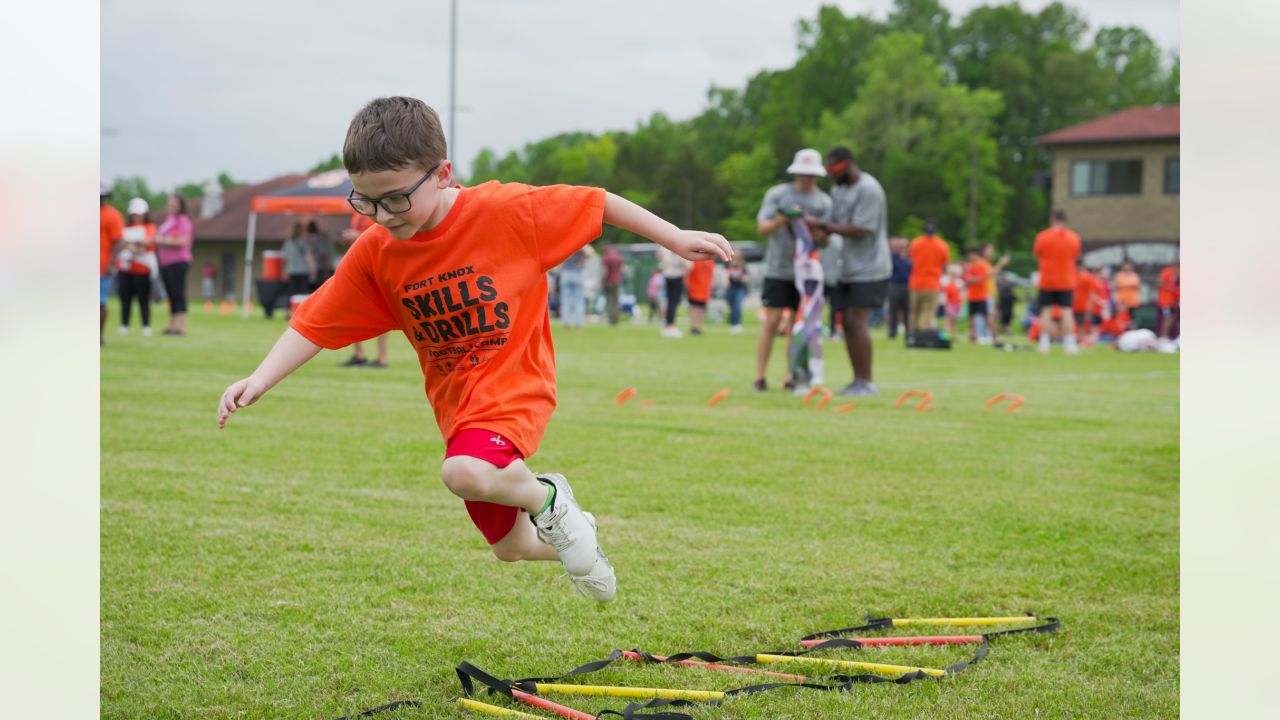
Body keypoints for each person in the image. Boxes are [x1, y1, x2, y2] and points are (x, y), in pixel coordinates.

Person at [216, 96, 733, 603]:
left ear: (442, 173)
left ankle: (548, 496)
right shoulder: (376, 252)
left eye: (395, 198)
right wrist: (258, 379)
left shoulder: (506, 210)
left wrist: (674, 237)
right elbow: (315, 321)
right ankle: (575, 529)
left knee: (462, 473)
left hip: (516, 385)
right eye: (364, 201)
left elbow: (596, 203)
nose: (381, 215)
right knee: (510, 547)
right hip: (458, 411)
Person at [810, 147, 890, 397]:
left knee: (856, 320)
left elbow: (861, 229)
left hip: (870, 267)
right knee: (846, 322)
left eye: (833, 169)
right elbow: (832, 224)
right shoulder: (838, 190)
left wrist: (822, 225)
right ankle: (858, 381)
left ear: (848, 164)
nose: (830, 175)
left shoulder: (869, 189)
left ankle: (866, 382)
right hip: (846, 267)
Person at [753, 148, 832, 390]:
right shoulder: (778, 195)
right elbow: (762, 228)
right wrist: (782, 220)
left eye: (810, 175)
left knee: (799, 325)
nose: (806, 178)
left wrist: (815, 230)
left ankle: (792, 375)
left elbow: (826, 242)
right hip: (778, 269)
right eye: (802, 173)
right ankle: (760, 376)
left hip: (806, 272)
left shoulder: (823, 202)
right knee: (772, 320)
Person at [340, 214, 390, 368]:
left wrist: (359, 236)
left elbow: (386, 235)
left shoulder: (378, 206)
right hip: (360, 264)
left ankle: (381, 359)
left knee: (382, 312)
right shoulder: (357, 211)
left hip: (378, 264)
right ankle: (359, 355)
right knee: (352, 310)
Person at [1033, 210, 1082, 354]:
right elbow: (1075, 255)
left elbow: (1037, 253)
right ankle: (1070, 344)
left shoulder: (1042, 236)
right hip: (1066, 280)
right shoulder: (1074, 238)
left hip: (1047, 280)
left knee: (1046, 312)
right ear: (1065, 220)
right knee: (1067, 312)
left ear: (1052, 220)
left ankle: (1044, 344)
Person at [154, 194, 194, 336]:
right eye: (168, 204)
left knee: (178, 293)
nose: (170, 207)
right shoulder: (169, 220)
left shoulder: (183, 221)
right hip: (166, 262)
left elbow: (182, 241)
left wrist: (162, 240)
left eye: (173, 204)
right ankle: (171, 326)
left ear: (180, 206)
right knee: (171, 294)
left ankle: (181, 327)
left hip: (179, 262)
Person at [117, 198, 157, 336]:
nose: (136, 216)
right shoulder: (125, 227)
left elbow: (147, 241)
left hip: (142, 270)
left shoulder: (149, 226)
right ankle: (124, 325)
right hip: (126, 269)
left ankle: (145, 325)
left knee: (143, 299)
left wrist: (133, 245)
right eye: (134, 214)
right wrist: (130, 245)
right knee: (125, 298)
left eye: (139, 213)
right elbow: (121, 241)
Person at [907, 220, 949, 333]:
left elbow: (910, 259)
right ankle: (925, 333)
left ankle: (912, 332)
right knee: (929, 311)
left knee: (914, 311)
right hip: (933, 283)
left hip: (916, 282)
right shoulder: (942, 245)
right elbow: (945, 264)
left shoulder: (915, 243)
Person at [100, 185, 125, 345]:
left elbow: (118, 241)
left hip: (102, 266)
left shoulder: (113, 215)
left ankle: (98, 336)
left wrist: (112, 263)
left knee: (100, 303)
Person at [657, 245, 691, 337]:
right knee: (673, 303)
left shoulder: (667, 252)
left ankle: (669, 325)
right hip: (675, 279)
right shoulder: (677, 254)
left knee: (671, 303)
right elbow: (688, 267)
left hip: (671, 279)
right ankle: (670, 326)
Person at [963, 247, 992, 343]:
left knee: (986, 316)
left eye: (970, 254)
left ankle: (993, 335)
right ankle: (972, 336)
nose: (969, 257)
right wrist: (972, 279)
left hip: (981, 296)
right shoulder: (970, 266)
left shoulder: (983, 265)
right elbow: (966, 279)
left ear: (975, 254)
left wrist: (972, 279)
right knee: (971, 316)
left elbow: (981, 279)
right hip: (972, 296)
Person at [283, 221, 317, 299]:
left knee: (292, 293)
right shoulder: (303, 242)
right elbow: (309, 258)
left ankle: (291, 310)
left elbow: (285, 258)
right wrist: (313, 270)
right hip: (303, 271)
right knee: (302, 294)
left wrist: (285, 271)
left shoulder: (288, 242)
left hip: (291, 271)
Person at [820, 233, 844, 340]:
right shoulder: (840, 240)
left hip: (823, 277)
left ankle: (817, 329)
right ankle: (832, 331)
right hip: (834, 278)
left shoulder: (821, 237)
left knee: (818, 307)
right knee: (834, 307)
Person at [886, 236, 911, 339]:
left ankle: (908, 331)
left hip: (906, 286)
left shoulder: (909, 258)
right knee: (893, 309)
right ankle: (892, 331)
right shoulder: (892, 257)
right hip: (894, 285)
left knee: (907, 310)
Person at [559, 246, 589, 329]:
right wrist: (583, 260)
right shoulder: (580, 243)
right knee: (579, 301)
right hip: (578, 273)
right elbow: (590, 252)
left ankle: (566, 324)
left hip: (566, 273)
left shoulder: (567, 242)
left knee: (565, 300)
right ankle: (578, 324)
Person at [685, 258, 714, 335]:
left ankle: (698, 327)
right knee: (694, 308)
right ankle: (694, 327)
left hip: (704, 289)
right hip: (694, 288)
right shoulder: (694, 259)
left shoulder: (710, 260)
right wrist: (687, 285)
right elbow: (688, 272)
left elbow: (711, 275)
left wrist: (710, 287)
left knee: (700, 309)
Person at [305, 220, 336, 290]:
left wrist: (326, 271)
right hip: (325, 268)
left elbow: (324, 256)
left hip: (324, 269)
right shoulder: (321, 238)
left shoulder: (320, 239)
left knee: (323, 290)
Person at [600, 244, 625, 325]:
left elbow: (604, 271)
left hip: (609, 281)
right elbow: (623, 269)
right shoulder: (618, 256)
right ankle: (616, 319)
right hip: (617, 281)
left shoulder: (606, 257)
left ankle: (611, 321)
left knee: (610, 301)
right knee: (616, 301)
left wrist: (603, 283)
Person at [724, 254, 748, 334]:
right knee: (731, 306)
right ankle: (733, 323)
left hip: (739, 288)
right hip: (730, 288)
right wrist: (726, 281)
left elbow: (746, 277)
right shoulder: (728, 265)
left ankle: (737, 324)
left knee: (737, 306)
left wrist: (743, 279)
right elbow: (726, 274)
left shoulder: (743, 267)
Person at [1158, 260, 1180, 341]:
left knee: (1171, 319)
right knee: (1167, 318)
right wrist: (1172, 288)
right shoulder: (1167, 271)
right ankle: (1163, 336)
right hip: (1165, 301)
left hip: (1173, 301)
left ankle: (1167, 336)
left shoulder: (1176, 275)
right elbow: (1160, 282)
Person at [943, 265, 963, 337]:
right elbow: (947, 297)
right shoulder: (948, 286)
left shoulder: (957, 286)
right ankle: (946, 336)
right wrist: (948, 305)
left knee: (954, 321)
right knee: (948, 321)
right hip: (951, 304)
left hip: (956, 305)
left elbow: (958, 297)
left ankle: (954, 335)